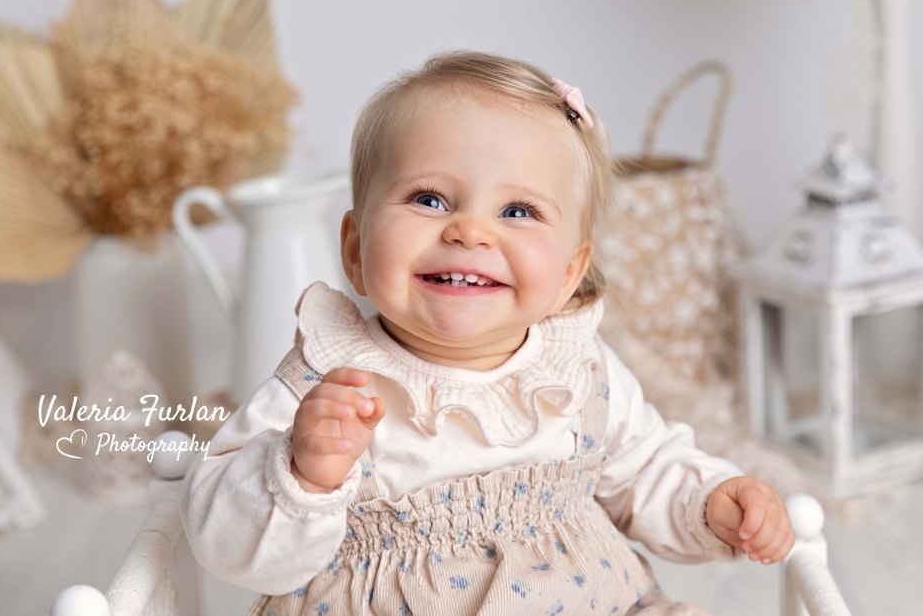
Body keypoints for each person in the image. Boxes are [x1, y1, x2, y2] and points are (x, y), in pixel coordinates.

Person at [182, 51, 794, 615]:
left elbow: (646, 470)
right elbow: (226, 543)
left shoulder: (576, 371)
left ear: (567, 275)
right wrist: (303, 473)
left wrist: (711, 502)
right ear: (355, 248)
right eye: (429, 199)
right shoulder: (326, 384)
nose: (470, 232)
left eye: (518, 212)